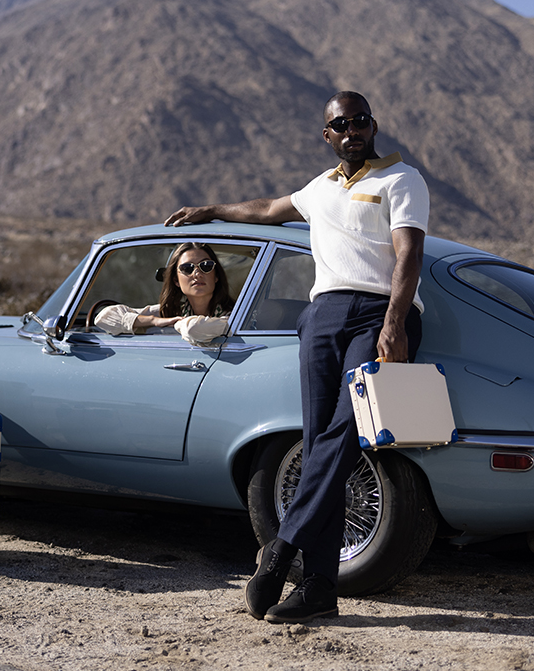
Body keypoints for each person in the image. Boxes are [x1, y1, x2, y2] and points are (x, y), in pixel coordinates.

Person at [165, 91, 428, 624]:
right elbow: (264, 210)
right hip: (323, 316)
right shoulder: (319, 188)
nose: (352, 129)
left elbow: (409, 252)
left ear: (373, 125)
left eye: (360, 121)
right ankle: (319, 591)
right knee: (319, 443)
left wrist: (395, 322)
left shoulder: (402, 180)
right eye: (341, 124)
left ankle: (281, 549)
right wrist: (209, 211)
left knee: (339, 434)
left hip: (378, 315)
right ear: (327, 136)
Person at [93, 242, 235, 345]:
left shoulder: (236, 315)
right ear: (176, 281)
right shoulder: (169, 311)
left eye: (206, 266)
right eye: (187, 268)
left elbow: (193, 329)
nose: (197, 273)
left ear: (216, 276)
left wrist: (177, 324)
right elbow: (103, 318)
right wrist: (154, 321)